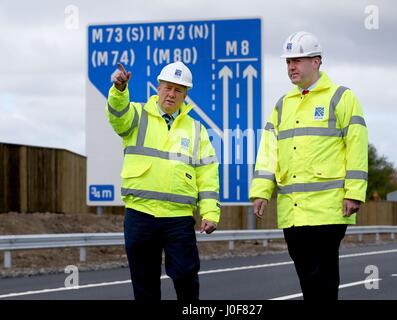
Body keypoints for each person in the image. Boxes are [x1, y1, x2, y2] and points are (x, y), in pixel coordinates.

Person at [249, 31, 368, 300]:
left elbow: (357, 147)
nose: (291, 67)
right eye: (288, 61)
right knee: (306, 278)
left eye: (298, 60)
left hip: (328, 209)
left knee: (322, 278)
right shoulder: (283, 105)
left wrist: (354, 192)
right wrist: (261, 191)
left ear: (316, 61)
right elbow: (268, 151)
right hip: (293, 212)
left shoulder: (341, 98)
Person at [106, 61, 220, 301]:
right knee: (144, 282)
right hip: (140, 214)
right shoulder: (136, 116)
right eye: (168, 87)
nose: (171, 94)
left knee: (186, 276)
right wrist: (119, 91)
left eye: (178, 90)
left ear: (185, 95)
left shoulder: (196, 130)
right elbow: (117, 117)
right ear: (158, 87)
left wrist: (210, 213)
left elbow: (207, 173)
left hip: (178, 217)